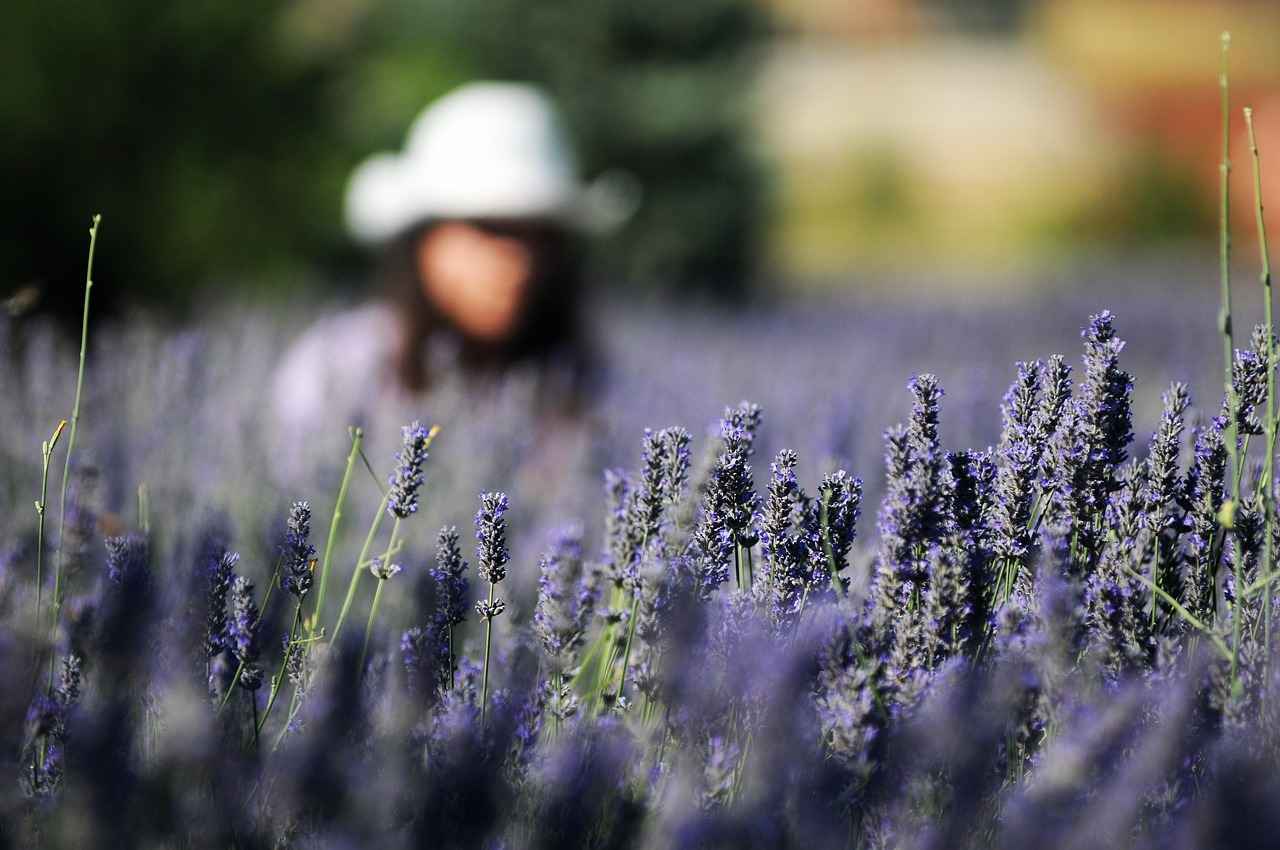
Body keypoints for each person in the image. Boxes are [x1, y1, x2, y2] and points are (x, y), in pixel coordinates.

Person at [271, 81, 634, 439]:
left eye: (540, 235)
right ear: (423, 237)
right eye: (489, 228)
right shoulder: (337, 368)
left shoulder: (590, 385)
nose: (519, 261)